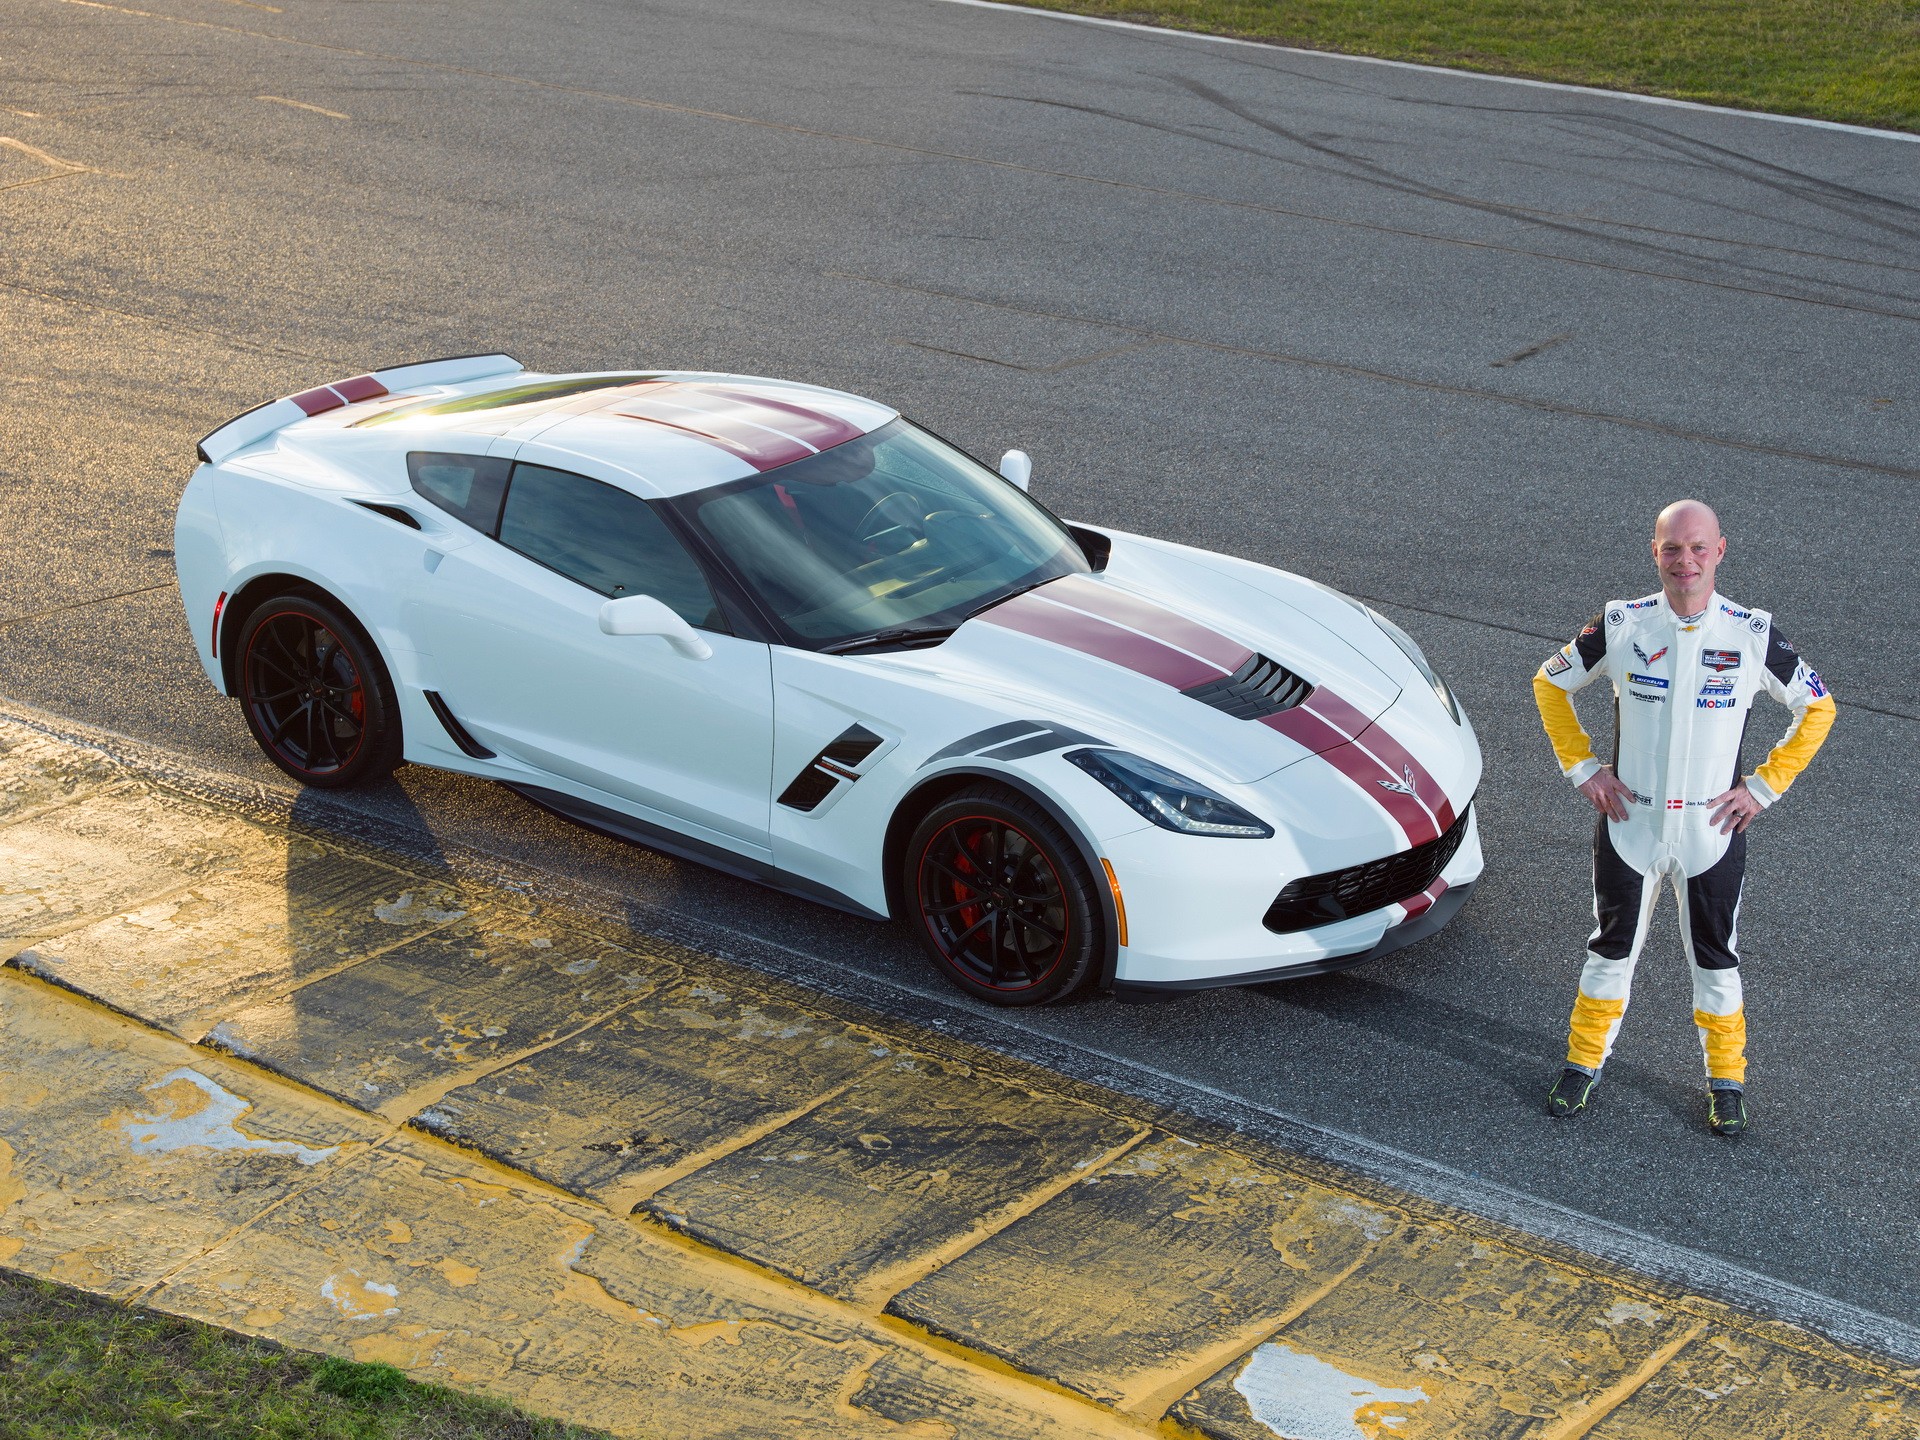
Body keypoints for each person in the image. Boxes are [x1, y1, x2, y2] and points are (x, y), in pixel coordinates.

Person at [1531, 500, 1836, 1136]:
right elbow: (1549, 683)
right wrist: (1583, 767)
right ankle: (1583, 1063)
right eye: (1673, 549)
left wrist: (1765, 786)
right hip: (1629, 824)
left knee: (1716, 959)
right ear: (1655, 553)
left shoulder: (1751, 634)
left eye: (1698, 548)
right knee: (1609, 951)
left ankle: (1727, 1079)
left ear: (1720, 551)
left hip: (1711, 832)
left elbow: (1820, 707)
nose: (1685, 561)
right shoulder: (1620, 623)